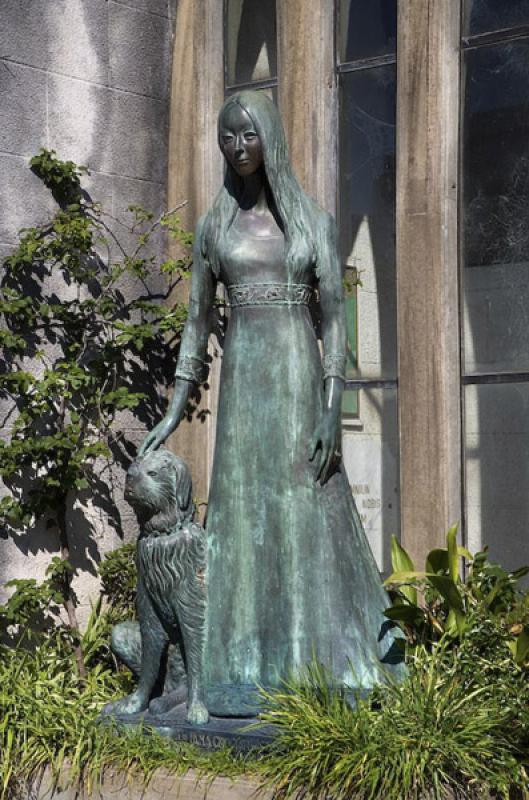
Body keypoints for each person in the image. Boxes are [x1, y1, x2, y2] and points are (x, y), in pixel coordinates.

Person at [139, 90, 403, 717]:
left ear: (271, 139)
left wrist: (331, 408)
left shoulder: (311, 221)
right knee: (239, 522)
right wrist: (175, 410)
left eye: (249, 135)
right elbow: (197, 323)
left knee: (304, 513)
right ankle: (231, 664)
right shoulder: (215, 226)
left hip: (296, 378)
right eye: (228, 137)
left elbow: (335, 321)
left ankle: (313, 663)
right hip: (243, 389)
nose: (238, 147)